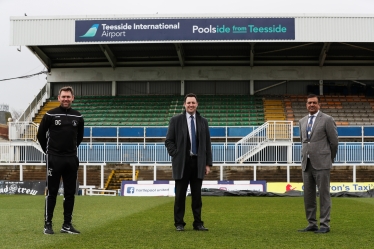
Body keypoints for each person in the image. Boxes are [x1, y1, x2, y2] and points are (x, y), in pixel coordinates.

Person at [37, 86, 84, 235]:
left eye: (68, 97)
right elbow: (40, 135)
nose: (65, 99)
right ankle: (48, 224)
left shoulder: (78, 116)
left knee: (70, 193)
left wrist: (71, 151)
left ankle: (67, 225)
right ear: (59, 98)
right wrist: (49, 152)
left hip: (71, 159)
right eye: (63, 96)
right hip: (54, 159)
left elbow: (80, 137)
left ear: (72, 98)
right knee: (52, 192)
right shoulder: (50, 114)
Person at [165, 93, 213, 231]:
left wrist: (208, 163)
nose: (191, 105)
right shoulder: (176, 120)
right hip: (182, 163)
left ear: (197, 104)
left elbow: (207, 144)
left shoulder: (203, 121)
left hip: (198, 163)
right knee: (180, 195)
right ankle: (179, 223)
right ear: (184, 105)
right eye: (188, 103)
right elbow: (169, 141)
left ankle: (198, 223)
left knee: (197, 197)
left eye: (193, 103)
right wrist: (176, 154)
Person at [298, 94, 338, 234]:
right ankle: (312, 223)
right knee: (308, 196)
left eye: (314, 102)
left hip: (322, 163)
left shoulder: (327, 119)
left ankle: (325, 225)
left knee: (323, 194)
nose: (311, 105)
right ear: (306, 104)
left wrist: (329, 158)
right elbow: (303, 141)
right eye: (309, 103)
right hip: (306, 163)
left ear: (319, 104)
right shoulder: (302, 121)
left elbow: (334, 142)